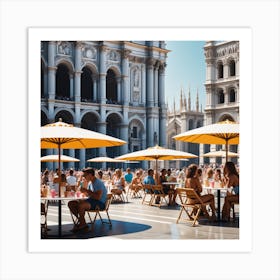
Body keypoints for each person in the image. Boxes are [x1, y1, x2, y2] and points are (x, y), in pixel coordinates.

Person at [68, 167, 107, 232]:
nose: (84, 177)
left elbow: (98, 197)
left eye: (84, 175)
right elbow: (88, 195)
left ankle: (82, 223)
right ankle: (82, 221)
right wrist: (83, 192)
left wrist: (86, 191)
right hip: (91, 201)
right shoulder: (90, 183)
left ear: (90, 175)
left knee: (81, 205)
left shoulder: (98, 183)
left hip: (100, 203)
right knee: (71, 203)